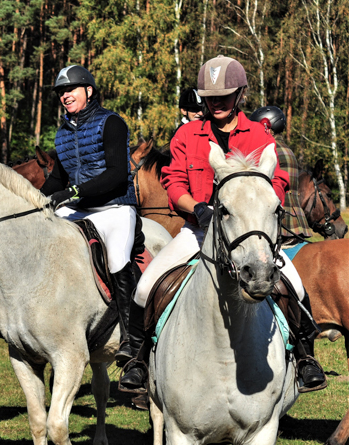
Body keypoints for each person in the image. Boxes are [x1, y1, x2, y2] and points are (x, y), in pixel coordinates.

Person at [120, 55, 326, 394]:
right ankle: (139, 361)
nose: (216, 103)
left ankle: (304, 358)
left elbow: (277, 179)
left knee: (294, 284)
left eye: (224, 96)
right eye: (210, 97)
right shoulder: (187, 135)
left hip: (249, 232)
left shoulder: (259, 135)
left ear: (241, 95)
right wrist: (198, 209)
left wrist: (264, 204)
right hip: (199, 230)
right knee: (146, 285)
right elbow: (173, 182)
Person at [39, 65, 139, 367]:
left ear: (89, 91)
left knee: (118, 260)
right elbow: (58, 178)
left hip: (115, 207)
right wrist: (35, 201)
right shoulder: (62, 133)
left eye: (70, 90)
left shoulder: (112, 123)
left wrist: (72, 193)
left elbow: (117, 174)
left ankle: (130, 341)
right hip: (80, 207)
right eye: (61, 92)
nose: (65, 96)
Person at [249, 106, 312, 245]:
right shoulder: (284, 147)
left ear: (266, 126)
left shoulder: (270, 149)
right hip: (294, 218)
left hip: (282, 223)